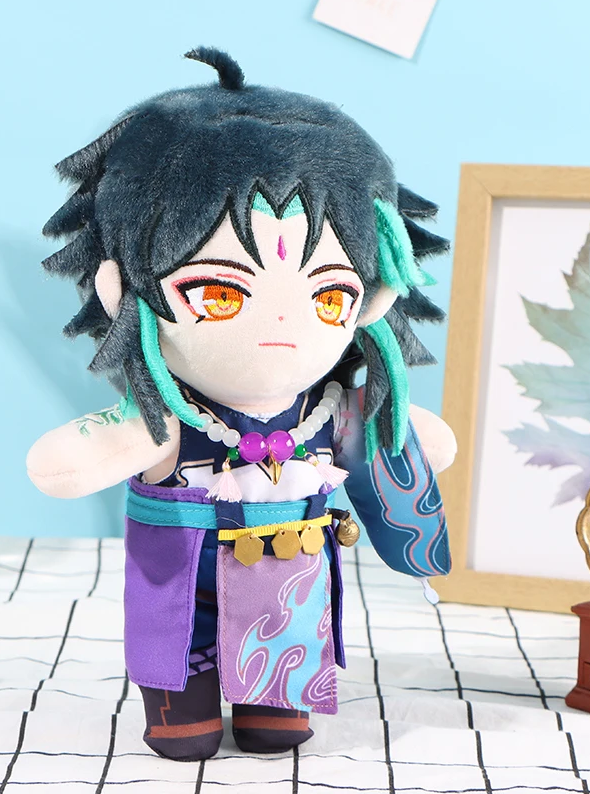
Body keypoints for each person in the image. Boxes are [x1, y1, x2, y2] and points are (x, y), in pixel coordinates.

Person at [27, 47, 456, 762]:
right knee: (184, 727)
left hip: (287, 602)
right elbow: (66, 463)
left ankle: (271, 702)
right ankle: (182, 707)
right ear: (123, 287)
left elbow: (419, 447)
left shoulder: (332, 409)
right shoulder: (165, 417)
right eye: (221, 291)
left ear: (372, 299)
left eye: (330, 295)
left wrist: (398, 433)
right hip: (180, 582)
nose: (285, 323)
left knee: (277, 728)